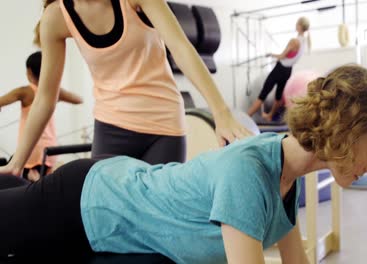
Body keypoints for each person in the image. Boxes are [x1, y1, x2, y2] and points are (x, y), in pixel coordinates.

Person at [0, 65, 367, 263]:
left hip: (109, 192)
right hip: (86, 201)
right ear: (343, 132)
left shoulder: (289, 180)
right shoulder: (249, 172)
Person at [0, 0, 251, 177]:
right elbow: (45, 98)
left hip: (163, 127)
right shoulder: (56, 18)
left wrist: (221, 113)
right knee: (107, 222)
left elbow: (181, 48)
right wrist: (17, 161)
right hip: (111, 129)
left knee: (157, 223)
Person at [0, 51, 82, 181]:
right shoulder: (54, 91)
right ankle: (37, 179)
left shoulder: (25, 92)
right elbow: (79, 99)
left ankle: (33, 179)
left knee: (22, 179)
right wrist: (56, 92)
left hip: (30, 149)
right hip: (50, 148)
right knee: (43, 179)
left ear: (29, 72)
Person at [247, 16, 311, 122]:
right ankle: (270, 116)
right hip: (288, 71)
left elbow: (282, 56)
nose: (295, 25)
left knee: (264, 93)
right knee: (278, 95)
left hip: (280, 69)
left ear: (299, 26)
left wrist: (270, 54)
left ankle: (247, 117)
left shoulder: (294, 41)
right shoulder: (305, 41)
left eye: (297, 23)